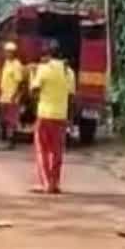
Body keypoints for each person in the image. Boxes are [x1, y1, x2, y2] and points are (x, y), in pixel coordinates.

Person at [29, 39, 75, 193]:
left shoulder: (43, 69)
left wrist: (32, 74)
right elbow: (71, 97)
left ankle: (46, 183)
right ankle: (55, 183)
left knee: (42, 150)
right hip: (61, 116)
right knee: (57, 151)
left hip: (44, 115)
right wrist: (70, 118)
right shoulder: (68, 71)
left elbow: (34, 91)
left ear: (47, 53)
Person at [0, 42, 25, 148]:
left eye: (10, 52)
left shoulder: (16, 64)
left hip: (12, 97)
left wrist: (15, 95)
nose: (8, 54)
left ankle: (11, 141)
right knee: (3, 120)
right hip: (4, 96)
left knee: (11, 121)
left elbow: (19, 82)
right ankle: (4, 141)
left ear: (14, 53)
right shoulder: (6, 63)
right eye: (7, 52)